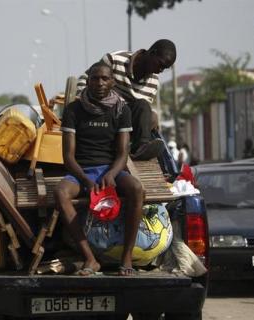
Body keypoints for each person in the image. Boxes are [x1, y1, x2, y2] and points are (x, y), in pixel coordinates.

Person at [55, 62, 144, 276]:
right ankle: (90, 259)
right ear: (88, 81)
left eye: (105, 78)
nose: (100, 83)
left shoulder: (121, 109)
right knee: (60, 193)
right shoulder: (73, 110)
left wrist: (112, 175)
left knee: (137, 189)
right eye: (95, 78)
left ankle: (127, 257)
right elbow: (68, 156)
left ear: (112, 81)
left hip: (110, 169)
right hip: (81, 171)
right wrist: (85, 180)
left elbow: (123, 153)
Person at [77, 39, 177, 160]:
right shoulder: (114, 60)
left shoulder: (154, 82)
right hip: (100, 114)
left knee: (148, 111)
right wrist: (84, 104)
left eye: (164, 68)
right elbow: (85, 78)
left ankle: (141, 148)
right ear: (152, 53)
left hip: (124, 123)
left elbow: (140, 112)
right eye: (160, 64)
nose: (160, 70)